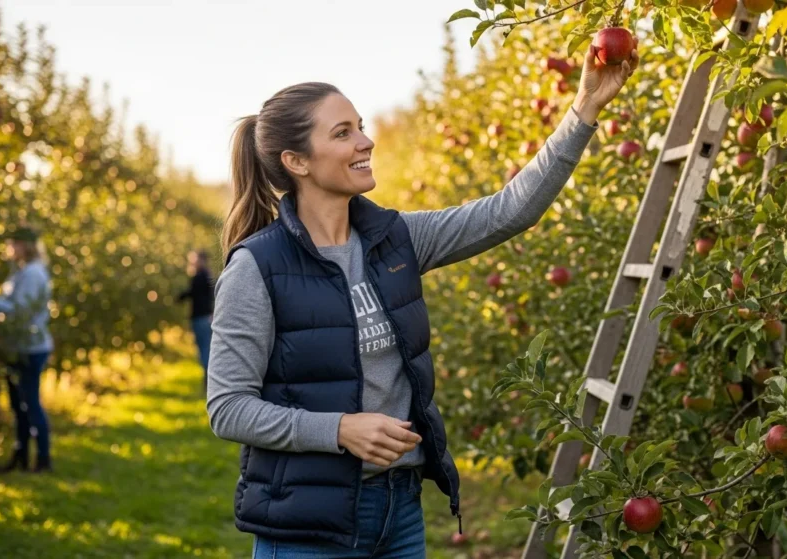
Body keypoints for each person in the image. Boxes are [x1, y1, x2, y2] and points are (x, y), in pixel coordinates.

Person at [205, 43, 638, 558]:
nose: (365, 141)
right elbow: (228, 408)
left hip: (400, 512)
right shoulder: (257, 267)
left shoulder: (397, 239)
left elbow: (511, 210)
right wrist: (339, 430)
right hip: (309, 525)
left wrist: (584, 107)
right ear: (296, 161)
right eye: (342, 133)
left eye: (360, 126)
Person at [0, 225, 55, 473]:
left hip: (30, 347)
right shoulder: (24, 271)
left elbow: (19, 311)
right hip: (18, 345)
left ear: (25, 246)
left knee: (29, 404)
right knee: (19, 406)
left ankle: (42, 459)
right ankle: (21, 456)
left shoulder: (32, 273)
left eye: (14, 244)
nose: (10, 248)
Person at [178, 249, 214, 389]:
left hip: (200, 317)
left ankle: (208, 380)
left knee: (204, 349)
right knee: (207, 347)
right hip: (207, 317)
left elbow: (192, 292)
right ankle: (210, 379)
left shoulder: (199, 276)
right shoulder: (208, 276)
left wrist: (179, 297)